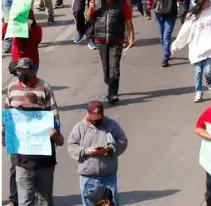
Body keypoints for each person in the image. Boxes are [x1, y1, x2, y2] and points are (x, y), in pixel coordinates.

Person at [5, 57, 62, 206]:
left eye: (25, 70)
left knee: (45, 200)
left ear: (32, 71)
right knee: (25, 200)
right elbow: (7, 117)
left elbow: (54, 116)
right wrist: (8, 141)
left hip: (44, 157)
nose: (22, 73)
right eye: (20, 71)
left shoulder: (44, 87)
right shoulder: (12, 89)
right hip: (21, 156)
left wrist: (56, 135)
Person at [67, 100, 128, 205]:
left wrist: (111, 149)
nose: (96, 121)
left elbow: (123, 141)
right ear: (88, 114)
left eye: (99, 118)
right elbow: (71, 147)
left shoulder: (112, 125)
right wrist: (87, 151)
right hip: (88, 178)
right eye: (94, 118)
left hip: (108, 177)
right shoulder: (79, 128)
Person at [86, 0, 135, 105]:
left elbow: (128, 21)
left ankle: (113, 93)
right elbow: (89, 18)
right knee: (106, 68)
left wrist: (131, 36)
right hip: (101, 40)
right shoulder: (96, 1)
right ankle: (109, 83)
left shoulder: (122, 3)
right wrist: (91, 8)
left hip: (116, 40)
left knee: (114, 67)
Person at [171, 0, 211, 103]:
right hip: (197, 47)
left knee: (208, 71)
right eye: (207, 0)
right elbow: (184, 32)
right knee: (198, 71)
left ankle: (209, 83)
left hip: (210, 47)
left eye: (209, 0)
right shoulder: (192, 16)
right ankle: (198, 91)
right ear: (202, 2)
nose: (209, 2)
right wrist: (176, 45)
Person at [148, 0, 185, 67]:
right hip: (159, 14)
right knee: (161, 36)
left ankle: (165, 58)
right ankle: (166, 50)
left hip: (171, 15)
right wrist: (148, 9)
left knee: (166, 36)